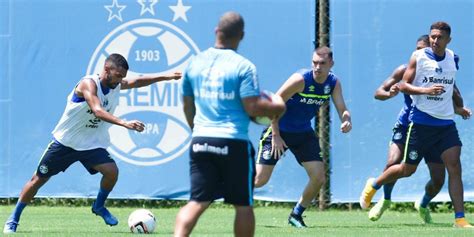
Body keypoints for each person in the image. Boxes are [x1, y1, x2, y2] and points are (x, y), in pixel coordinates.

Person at [2, 54, 182, 234]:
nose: (121, 79)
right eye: (118, 75)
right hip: (65, 143)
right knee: (37, 181)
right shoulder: (88, 84)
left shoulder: (116, 84)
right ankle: (13, 219)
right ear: (106, 69)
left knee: (112, 172)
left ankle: (98, 206)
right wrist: (124, 123)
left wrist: (166, 76)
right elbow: (97, 110)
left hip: (91, 145)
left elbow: (138, 81)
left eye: (123, 76)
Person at [173, 12, 286, 237]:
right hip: (234, 142)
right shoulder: (244, 67)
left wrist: (196, 131)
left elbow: (187, 106)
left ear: (217, 31)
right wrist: (278, 108)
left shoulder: (194, 63)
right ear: (241, 36)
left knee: (197, 202)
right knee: (243, 205)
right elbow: (252, 108)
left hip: (201, 141)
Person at [360, 21, 473, 228]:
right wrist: (426, 91)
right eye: (433, 37)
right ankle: (375, 186)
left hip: (446, 125)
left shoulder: (452, 58)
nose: (435, 41)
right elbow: (402, 85)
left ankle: (460, 218)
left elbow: (451, 88)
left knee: (454, 167)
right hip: (419, 124)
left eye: (439, 37)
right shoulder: (417, 58)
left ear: (449, 40)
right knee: (404, 168)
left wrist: (460, 108)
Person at [254, 46, 352, 228]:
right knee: (259, 180)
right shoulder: (300, 80)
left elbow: (342, 108)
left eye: (322, 63)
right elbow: (274, 103)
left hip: (303, 133)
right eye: (315, 63)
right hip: (279, 131)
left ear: (331, 64)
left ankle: (296, 215)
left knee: (319, 177)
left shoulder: (333, 83)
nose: (317, 67)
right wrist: (275, 135)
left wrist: (346, 120)